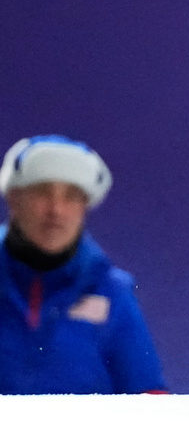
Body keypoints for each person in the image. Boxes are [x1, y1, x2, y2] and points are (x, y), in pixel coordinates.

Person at [0, 136, 167, 394]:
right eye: (43, 192)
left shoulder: (112, 291)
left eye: (72, 196)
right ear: (14, 198)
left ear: (85, 207)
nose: (56, 209)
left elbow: (150, 397)